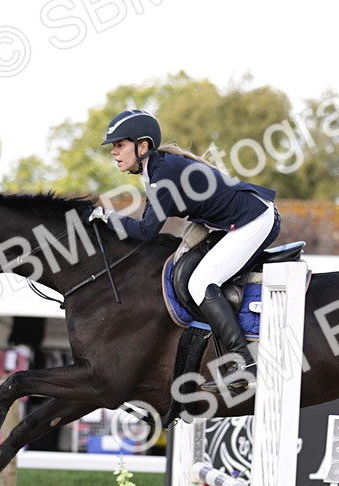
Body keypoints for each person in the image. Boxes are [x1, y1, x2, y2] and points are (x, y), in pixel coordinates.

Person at [89, 109, 280, 391]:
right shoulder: (155, 168)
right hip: (234, 220)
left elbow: (147, 231)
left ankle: (245, 362)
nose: (114, 152)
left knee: (201, 282)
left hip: (254, 221)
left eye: (119, 145)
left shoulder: (161, 173)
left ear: (142, 146)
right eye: (114, 147)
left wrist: (107, 217)